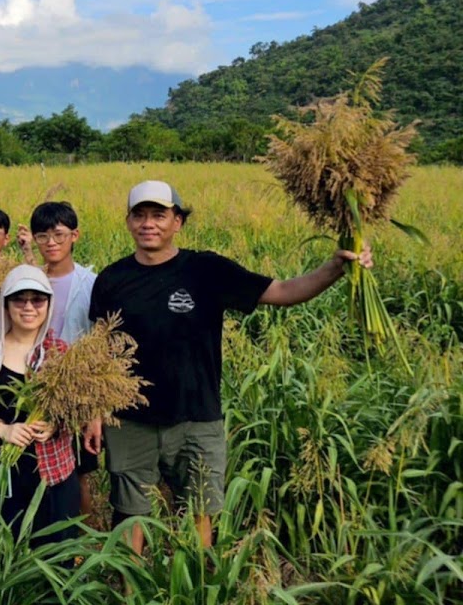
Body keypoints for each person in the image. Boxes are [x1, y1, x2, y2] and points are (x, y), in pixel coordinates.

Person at [91, 180, 374, 553]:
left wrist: (335, 268)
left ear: (178, 221)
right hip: (129, 421)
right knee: (130, 512)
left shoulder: (207, 269)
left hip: (197, 417)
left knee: (199, 511)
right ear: (128, 222)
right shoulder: (112, 279)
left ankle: (196, 584)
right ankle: (130, 587)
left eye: (159, 215)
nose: (149, 224)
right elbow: (97, 351)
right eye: (139, 215)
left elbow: (284, 292)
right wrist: (94, 413)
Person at [0, 265, 79, 544]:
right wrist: (0, 429)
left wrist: (54, 424)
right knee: (1, 545)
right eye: (19, 299)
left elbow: (76, 408)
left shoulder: (60, 353)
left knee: (52, 546)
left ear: (48, 305)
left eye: (37, 300)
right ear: (6, 305)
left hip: (50, 467)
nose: (28, 307)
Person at [22, 201, 100, 518]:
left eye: (59, 234)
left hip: (77, 392)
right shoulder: (27, 280)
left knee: (79, 474)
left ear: (75, 235)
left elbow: (99, 346)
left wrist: (94, 411)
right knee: (33, 470)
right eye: (43, 236)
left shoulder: (93, 283)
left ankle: (81, 542)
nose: (51, 243)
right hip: (30, 391)